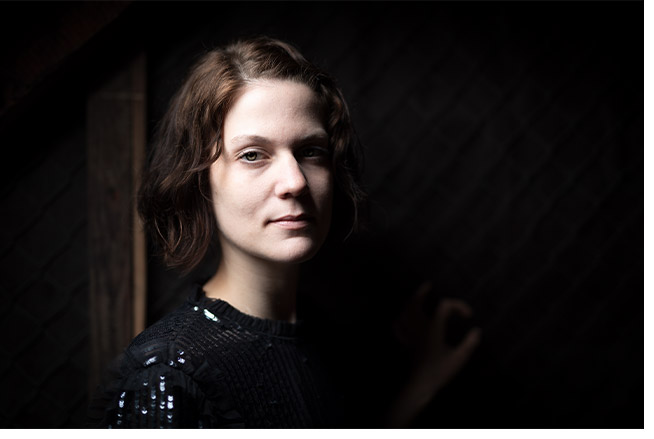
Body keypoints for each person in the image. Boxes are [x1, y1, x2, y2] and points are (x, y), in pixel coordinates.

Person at [88, 36, 480, 428]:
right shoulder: (166, 374)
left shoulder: (324, 336)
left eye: (310, 151)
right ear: (200, 181)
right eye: (253, 155)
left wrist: (420, 385)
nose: (295, 181)